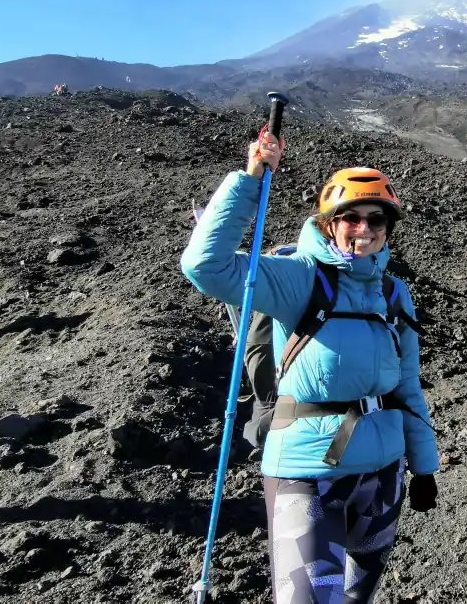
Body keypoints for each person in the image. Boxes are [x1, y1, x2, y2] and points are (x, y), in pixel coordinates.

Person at [180, 130, 439, 603]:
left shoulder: (394, 293)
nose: (364, 228)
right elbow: (205, 267)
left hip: (383, 473)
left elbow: (407, 385)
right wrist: (251, 178)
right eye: (351, 218)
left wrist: (423, 467)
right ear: (328, 224)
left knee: (358, 596)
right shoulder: (299, 278)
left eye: (376, 219)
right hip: (307, 473)